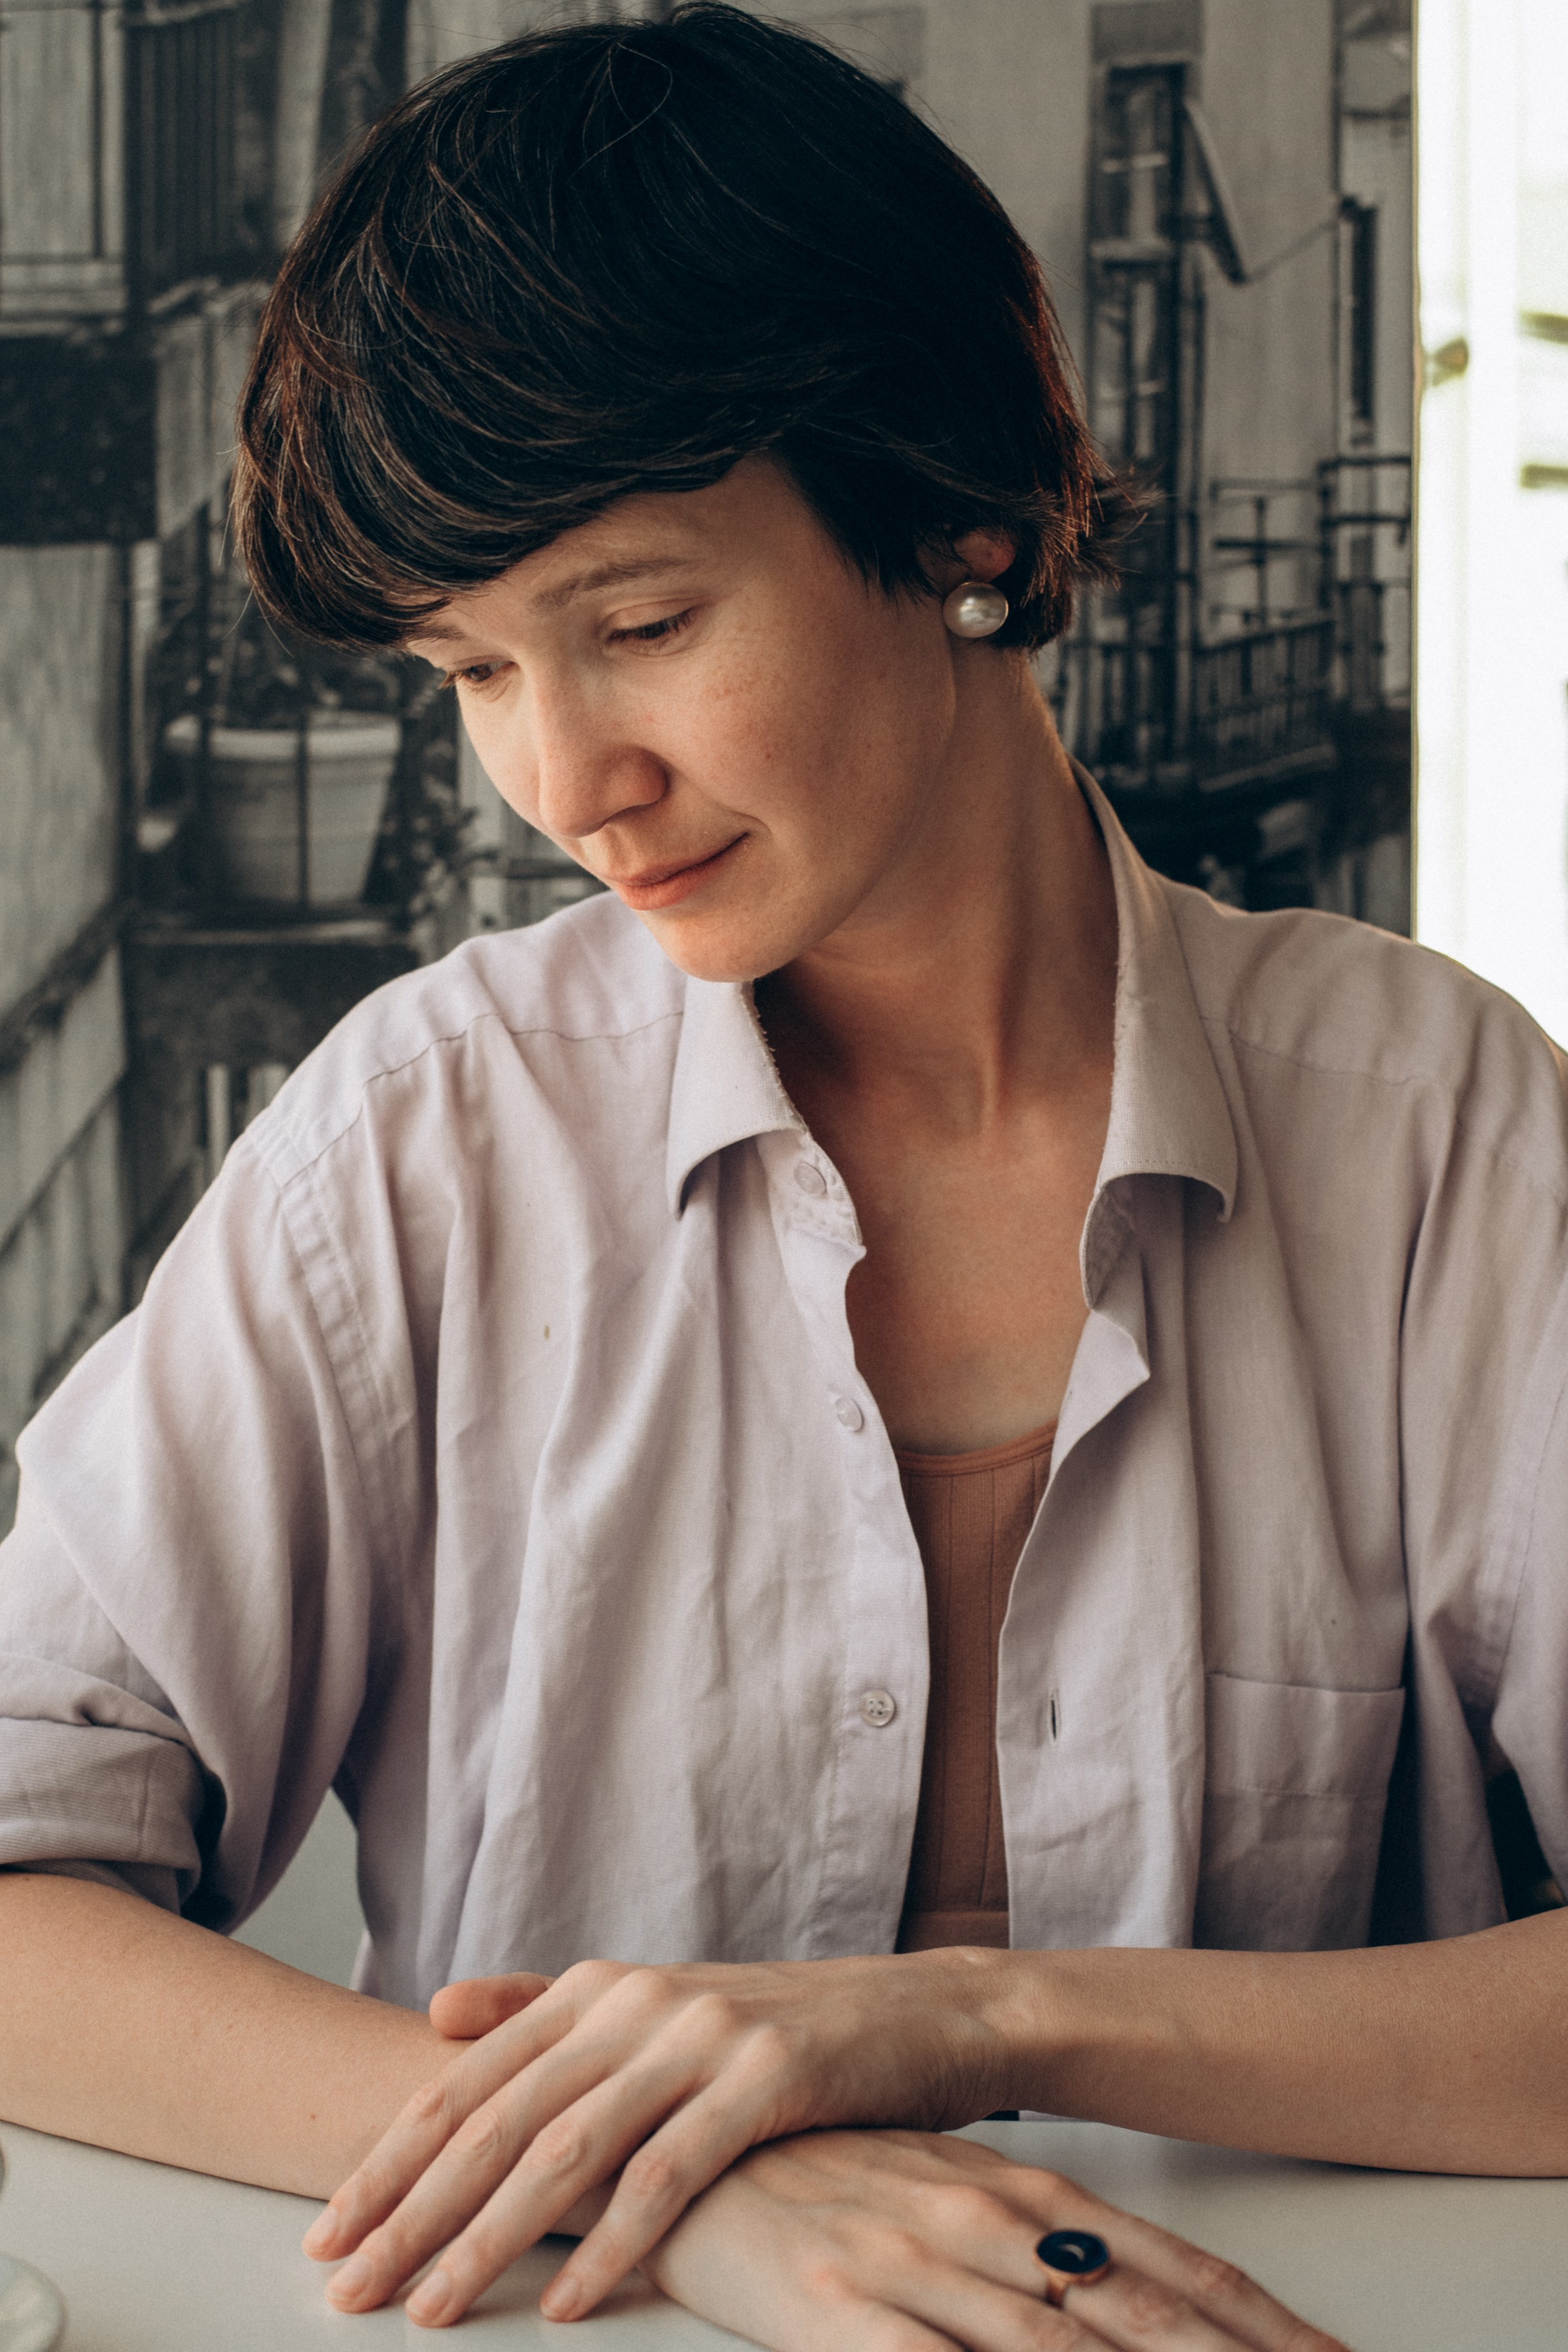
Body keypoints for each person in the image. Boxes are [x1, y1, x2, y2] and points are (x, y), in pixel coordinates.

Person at [1, 7, 1566, 2345]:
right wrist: (683, 2187)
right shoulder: (426, 1141)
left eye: (638, 626)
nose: (568, 779)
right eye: (472, 671)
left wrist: (977, 2025)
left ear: (966, 515)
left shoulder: (1435, 1129)